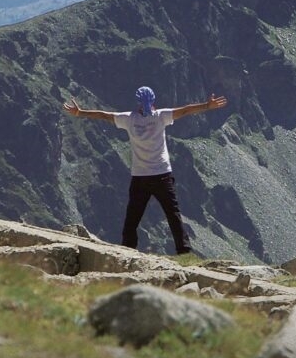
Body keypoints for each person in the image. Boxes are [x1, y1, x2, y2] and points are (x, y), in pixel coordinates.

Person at [63, 86, 228, 254]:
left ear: (138, 103)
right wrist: (207, 106)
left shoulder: (129, 119)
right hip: (162, 175)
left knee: (132, 218)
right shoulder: (161, 116)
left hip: (140, 177)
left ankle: (127, 250)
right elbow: (185, 111)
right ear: (153, 100)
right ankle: (184, 251)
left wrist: (80, 112)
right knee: (173, 214)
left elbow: (103, 115)